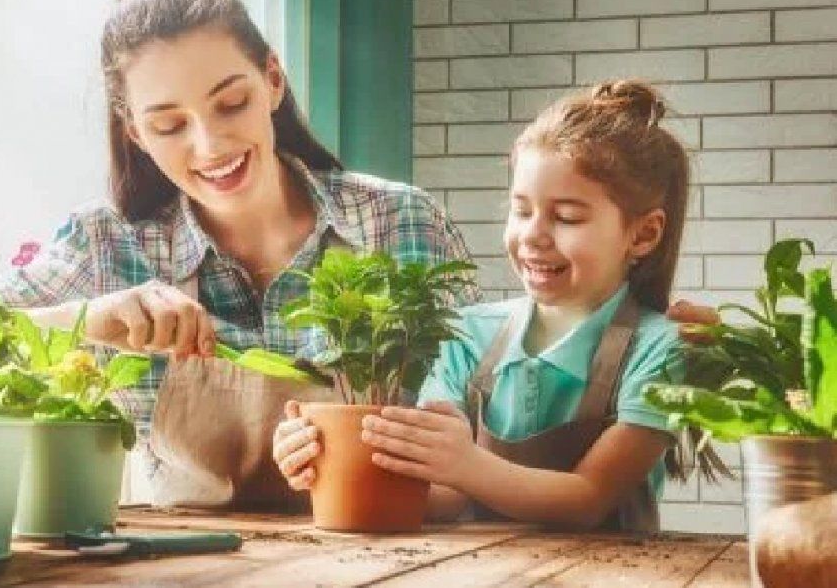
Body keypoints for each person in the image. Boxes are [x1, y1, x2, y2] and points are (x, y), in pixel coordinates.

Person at [0, 0, 477, 510]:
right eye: (169, 125)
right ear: (136, 132)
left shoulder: (398, 222)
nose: (210, 146)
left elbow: (485, 434)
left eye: (231, 104)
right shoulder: (110, 245)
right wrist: (83, 320)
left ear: (272, 81)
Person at [273, 80, 694, 531]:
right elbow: (444, 498)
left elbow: (589, 498)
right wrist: (324, 460)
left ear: (644, 234)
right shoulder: (465, 333)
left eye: (567, 217)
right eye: (521, 210)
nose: (533, 234)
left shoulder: (662, 348)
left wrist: (466, 464)